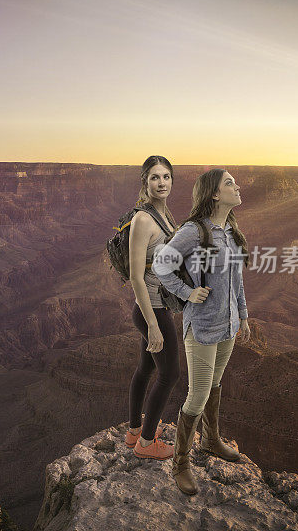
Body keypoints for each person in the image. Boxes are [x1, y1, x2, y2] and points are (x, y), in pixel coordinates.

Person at [152, 168, 252, 495]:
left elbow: (236, 280)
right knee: (198, 393)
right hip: (203, 326)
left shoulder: (231, 232)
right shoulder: (195, 232)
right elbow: (162, 263)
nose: (237, 187)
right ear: (214, 194)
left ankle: (210, 441)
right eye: (229, 183)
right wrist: (186, 292)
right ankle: (180, 463)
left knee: (216, 384)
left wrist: (244, 317)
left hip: (229, 325)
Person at [125, 155, 180, 460]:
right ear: (145, 182)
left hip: (158, 307)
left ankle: (134, 431)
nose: (161, 183)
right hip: (151, 310)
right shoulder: (143, 220)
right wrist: (154, 326)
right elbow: (135, 276)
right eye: (155, 178)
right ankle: (146, 444)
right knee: (170, 374)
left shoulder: (165, 215)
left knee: (146, 368)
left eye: (166, 177)